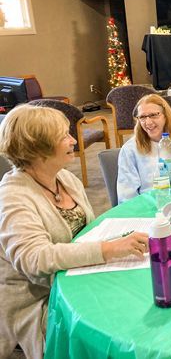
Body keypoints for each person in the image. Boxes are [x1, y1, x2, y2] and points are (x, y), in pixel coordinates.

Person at [0, 105, 148, 359]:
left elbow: (87, 233)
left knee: (142, 292)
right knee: (125, 318)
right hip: (43, 299)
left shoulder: (66, 179)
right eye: (63, 137)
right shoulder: (13, 197)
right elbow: (34, 259)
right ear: (39, 148)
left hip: (79, 276)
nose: (72, 140)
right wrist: (108, 249)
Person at [117, 94, 171, 203]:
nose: (148, 122)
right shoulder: (129, 150)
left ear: (165, 116)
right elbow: (126, 196)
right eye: (143, 117)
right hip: (149, 205)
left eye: (154, 115)